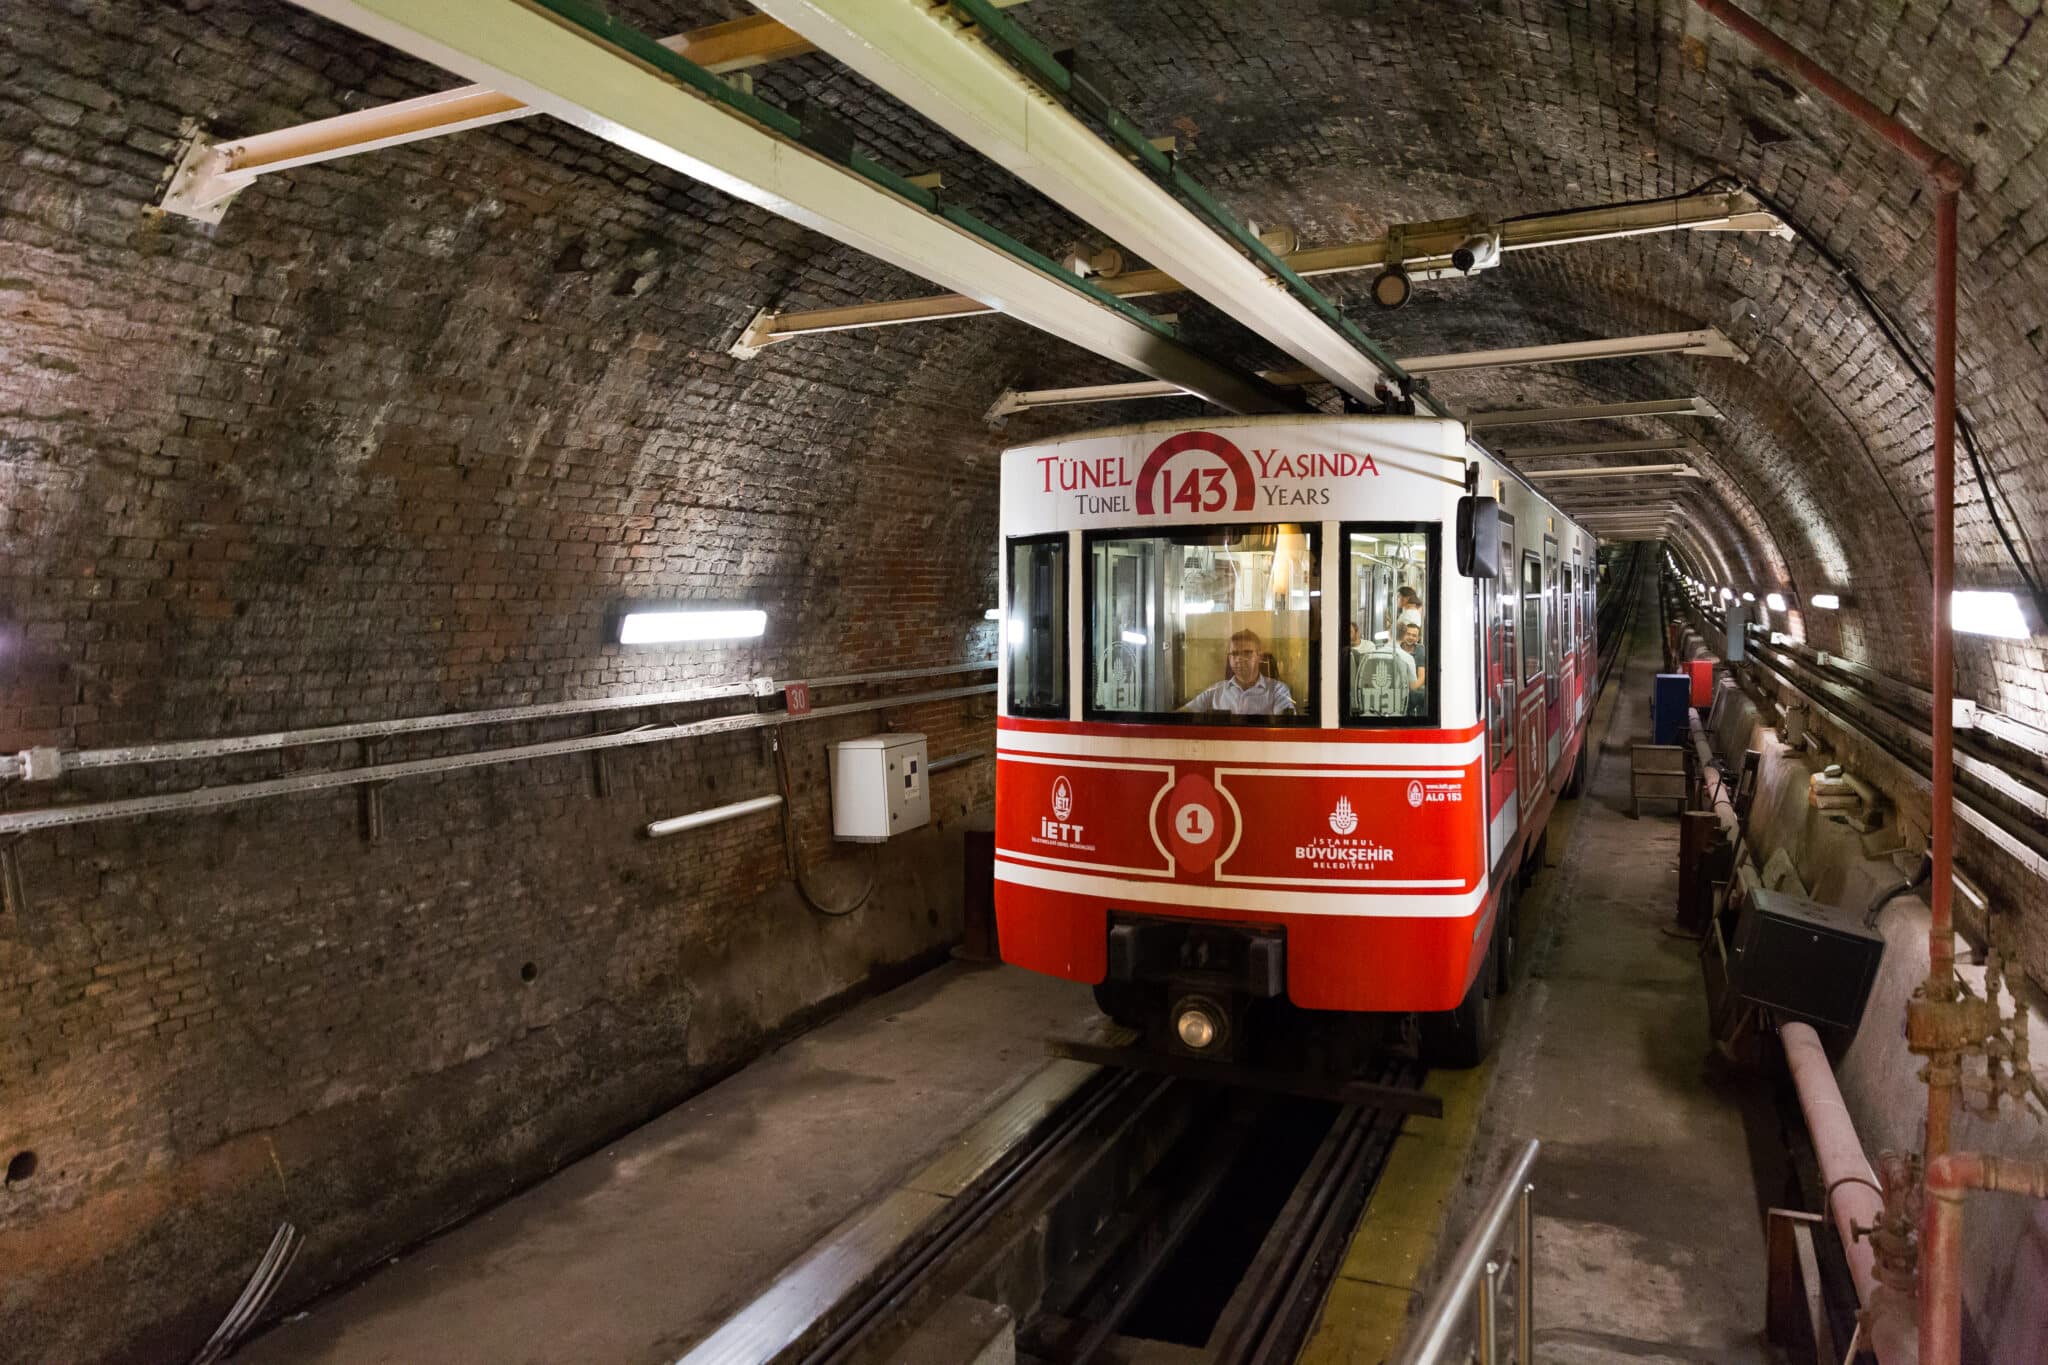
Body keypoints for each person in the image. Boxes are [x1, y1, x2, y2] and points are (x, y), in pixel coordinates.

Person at [1185, 628, 1296, 716]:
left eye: (1247, 653)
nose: (1239, 659)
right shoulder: (1216, 691)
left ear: (1259, 656)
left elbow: (1287, 725)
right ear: (1229, 659)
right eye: (1234, 653)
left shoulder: (1278, 690)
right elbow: (1183, 714)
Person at [1398, 619, 1428, 716]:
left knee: (1422, 695)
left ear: (1418, 638)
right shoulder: (1396, 647)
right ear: (1403, 635)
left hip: (1413, 687)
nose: (1410, 637)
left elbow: (1421, 677)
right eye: (1408, 634)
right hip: (1396, 686)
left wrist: (1410, 690)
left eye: (1414, 635)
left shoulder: (1420, 650)